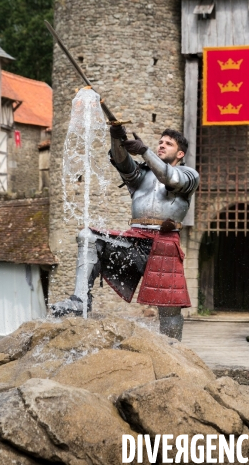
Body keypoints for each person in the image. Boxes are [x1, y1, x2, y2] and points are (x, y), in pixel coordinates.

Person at [52, 126, 199, 340]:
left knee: (169, 309)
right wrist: (117, 140)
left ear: (180, 153)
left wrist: (144, 151)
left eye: (168, 143)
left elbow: (172, 180)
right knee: (88, 236)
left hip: (165, 243)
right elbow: (122, 162)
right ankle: (80, 299)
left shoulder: (189, 175)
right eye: (161, 141)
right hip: (135, 241)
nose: (162, 145)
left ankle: (174, 351)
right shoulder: (143, 174)